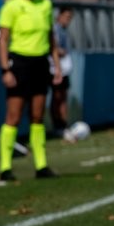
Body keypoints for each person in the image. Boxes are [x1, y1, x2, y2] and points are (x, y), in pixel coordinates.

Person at [0, 0, 61, 181]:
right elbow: (3, 40)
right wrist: (5, 69)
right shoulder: (11, 6)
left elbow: (51, 38)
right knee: (13, 116)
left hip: (40, 64)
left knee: (37, 115)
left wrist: (57, 66)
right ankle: (5, 167)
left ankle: (41, 165)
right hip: (20, 63)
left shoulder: (45, 5)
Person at [49, 7, 74, 136]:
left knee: (63, 96)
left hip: (63, 69)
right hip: (56, 68)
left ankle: (63, 124)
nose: (68, 20)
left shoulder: (64, 31)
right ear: (59, 16)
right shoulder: (55, 29)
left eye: (70, 18)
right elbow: (53, 47)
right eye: (66, 17)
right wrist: (60, 52)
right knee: (57, 97)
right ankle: (57, 125)